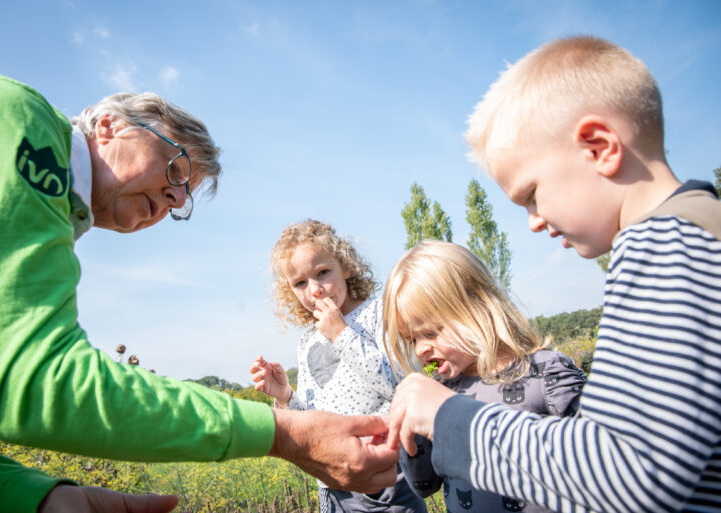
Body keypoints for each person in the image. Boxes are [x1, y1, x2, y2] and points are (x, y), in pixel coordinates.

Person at [0, 65, 398, 513]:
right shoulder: (25, 124)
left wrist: (42, 498)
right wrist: (281, 432)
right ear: (109, 127)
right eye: (176, 169)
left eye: (184, 197)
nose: (178, 199)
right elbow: (37, 380)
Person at [387, 36, 721, 513]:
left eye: (532, 195)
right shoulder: (694, 234)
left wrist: (449, 418)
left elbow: (632, 470)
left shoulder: (667, 244)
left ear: (599, 147)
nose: (534, 221)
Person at [383, 240, 586, 513]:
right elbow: (424, 485)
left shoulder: (546, 373)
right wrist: (411, 428)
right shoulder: (440, 394)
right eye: (412, 340)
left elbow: (603, 459)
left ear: (477, 307)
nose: (420, 349)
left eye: (431, 332)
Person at [251, 219, 427, 513]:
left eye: (322, 273)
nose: (315, 290)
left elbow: (401, 388)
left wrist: (342, 335)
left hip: (383, 477)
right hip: (332, 484)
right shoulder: (307, 341)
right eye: (300, 283)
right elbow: (311, 423)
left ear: (345, 266)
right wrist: (285, 396)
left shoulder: (378, 313)